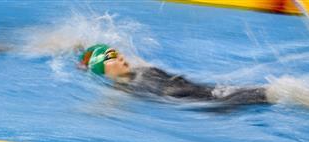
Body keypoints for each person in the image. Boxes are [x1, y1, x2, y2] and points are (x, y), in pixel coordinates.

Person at [79, 43, 270, 106]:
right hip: (196, 100)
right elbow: (109, 106)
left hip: (201, 92)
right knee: (263, 95)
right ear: (104, 70)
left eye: (116, 52)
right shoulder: (121, 88)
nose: (120, 57)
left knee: (261, 94)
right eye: (111, 57)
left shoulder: (137, 70)